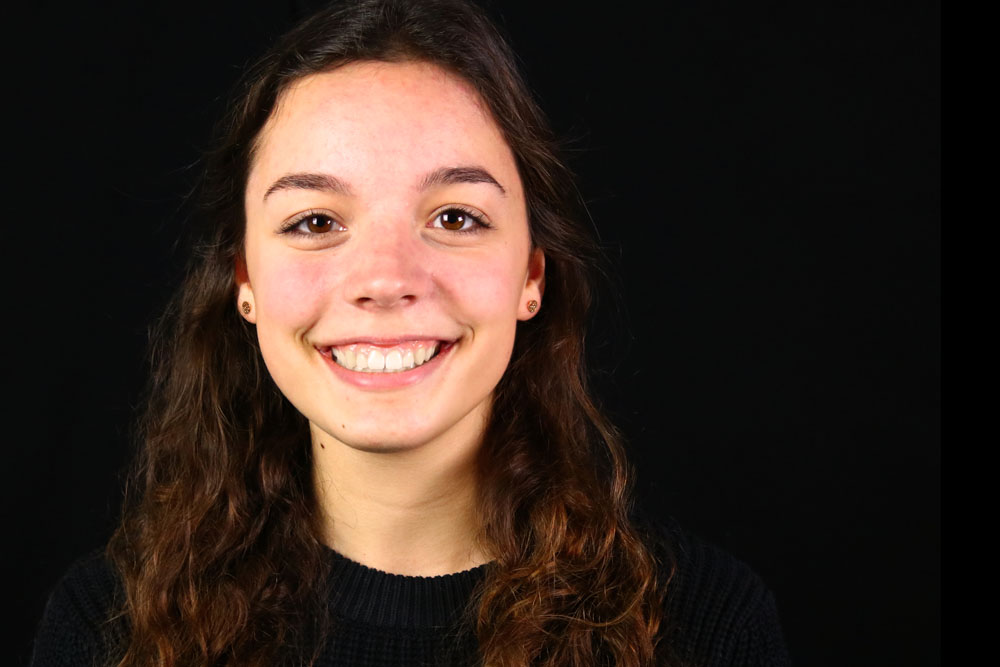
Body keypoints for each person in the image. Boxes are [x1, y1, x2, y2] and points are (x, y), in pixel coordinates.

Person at [30, 1, 791, 665]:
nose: (386, 279)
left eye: (456, 217)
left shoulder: (703, 627)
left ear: (532, 275)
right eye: (315, 222)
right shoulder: (106, 628)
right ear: (245, 281)